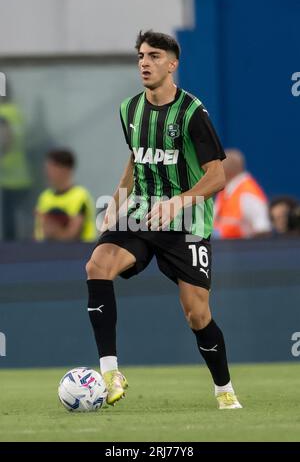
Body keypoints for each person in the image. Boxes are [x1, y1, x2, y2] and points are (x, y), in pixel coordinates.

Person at [86, 31, 242, 410]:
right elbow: (136, 159)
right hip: (143, 213)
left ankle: (224, 389)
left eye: (154, 56)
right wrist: (119, 201)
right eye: (141, 55)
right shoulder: (129, 109)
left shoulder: (192, 113)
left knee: (196, 313)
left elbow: (217, 176)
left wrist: (178, 203)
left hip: (187, 224)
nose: (144, 62)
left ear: (172, 64)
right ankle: (110, 371)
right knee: (97, 265)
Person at [35, 149, 96, 242]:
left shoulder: (80, 196)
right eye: (47, 168)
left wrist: (53, 228)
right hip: (45, 254)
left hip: (77, 254)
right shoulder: (44, 197)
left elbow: (72, 235)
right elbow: (39, 233)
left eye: (53, 167)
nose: (47, 172)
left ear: (66, 169)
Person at [214, 149, 271, 238]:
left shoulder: (247, 193)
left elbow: (262, 229)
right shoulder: (225, 191)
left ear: (227, 168)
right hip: (224, 248)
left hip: (242, 249)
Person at [0, 85, 32, 241]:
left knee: (10, 230)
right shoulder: (17, 112)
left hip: (6, 177)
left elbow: (5, 139)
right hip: (23, 175)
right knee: (24, 222)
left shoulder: (2, 113)